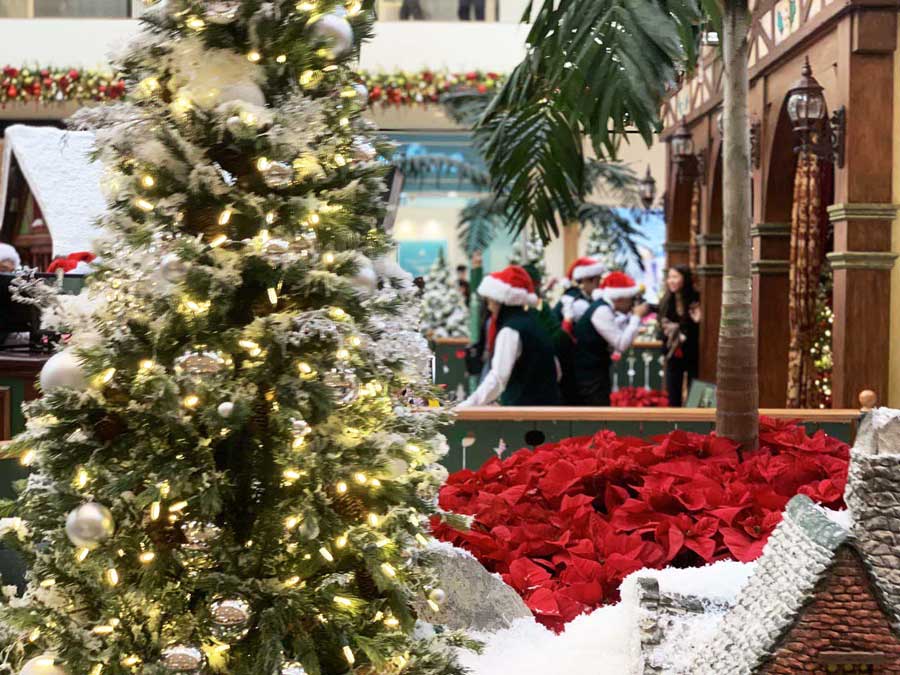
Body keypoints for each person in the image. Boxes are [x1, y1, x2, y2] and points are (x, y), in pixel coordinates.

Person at [458, 265, 561, 407]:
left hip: (526, 412)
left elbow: (498, 378)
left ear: (499, 301)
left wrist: (468, 405)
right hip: (547, 407)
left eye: (490, 301)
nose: (488, 307)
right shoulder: (532, 322)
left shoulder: (510, 330)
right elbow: (557, 370)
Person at [572, 271, 649, 406]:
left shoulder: (603, 308)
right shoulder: (601, 311)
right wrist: (636, 316)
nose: (632, 305)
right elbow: (621, 344)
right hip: (589, 378)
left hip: (594, 373)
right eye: (631, 299)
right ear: (620, 298)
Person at [552, 257, 606, 404]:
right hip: (572, 362)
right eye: (597, 280)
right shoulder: (577, 303)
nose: (599, 284)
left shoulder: (574, 297)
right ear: (589, 280)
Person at [658, 265, 701, 407]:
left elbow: (698, 327)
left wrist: (697, 321)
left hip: (694, 353)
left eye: (675, 277)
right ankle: (673, 425)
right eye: (669, 277)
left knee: (694, 394)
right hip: (673, 353)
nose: (671, 281)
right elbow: (661, 326)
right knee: (673, 394)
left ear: (685, 279)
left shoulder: (696, 298)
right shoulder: (666, 301)